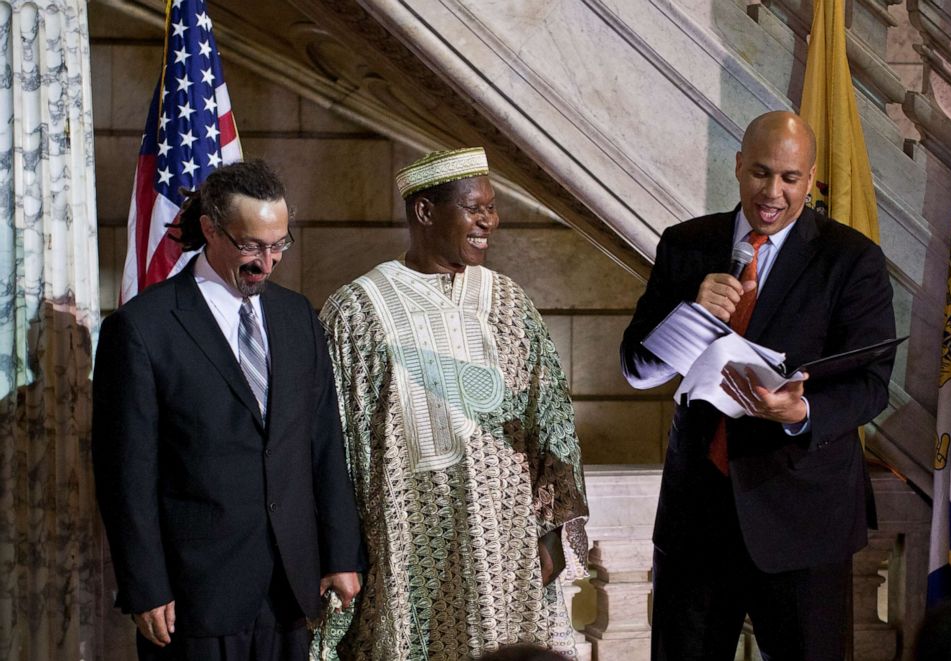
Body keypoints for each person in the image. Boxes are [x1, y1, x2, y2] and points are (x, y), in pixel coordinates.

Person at [620, 111, 896, 660]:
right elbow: (636, 366)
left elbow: (872, 385)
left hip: (803, 520)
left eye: (790, 179)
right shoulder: (686, 244)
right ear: (739, 166)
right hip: (697, 517)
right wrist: (690, 316)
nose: (773, 193)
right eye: (761, 173)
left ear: (811, 179)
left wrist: (801, 413)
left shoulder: (851, 258)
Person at [312, 147, 588, 660]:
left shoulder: (508, 301)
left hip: (505, 545)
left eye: (492, 207)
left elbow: (552, 421)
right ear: (424, 212)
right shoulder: (356, 310)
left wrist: (550, 532)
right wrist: (338, 550)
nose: (490, 220)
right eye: (474, 208)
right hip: (404, 547)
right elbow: (332, 445)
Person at [92, 160, 365, 661]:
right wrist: (145, 584)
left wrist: (340, 551)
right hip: (194, 597)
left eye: (279, 244)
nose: (267, 260)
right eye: (251, 246)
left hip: (290, 588)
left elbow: (324, 442)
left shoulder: (296, 316)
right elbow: (124, 474)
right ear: (210, 230)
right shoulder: (142, 329)